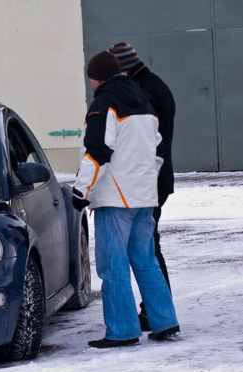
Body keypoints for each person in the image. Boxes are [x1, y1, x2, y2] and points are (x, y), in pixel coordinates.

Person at [72, 51, 180, 348]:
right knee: (145, 261)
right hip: (144, 197)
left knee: (113, 266)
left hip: (115, 199)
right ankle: (165, 320)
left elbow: (97, 152)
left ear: (98, 77)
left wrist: (81, 191)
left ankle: (122, 330)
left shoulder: (104, 104)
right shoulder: (144, 103)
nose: (91, 82)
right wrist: (149, 188)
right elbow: (157, 150)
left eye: (91, 77)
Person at [109, 42, 177, 331]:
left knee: (148, 248)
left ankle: (155, 310)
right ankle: (156, 311)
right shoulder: (152, 84)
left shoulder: (143, 92)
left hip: (147, 180)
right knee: (149, 246)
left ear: (122, 67)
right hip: (154, 178)